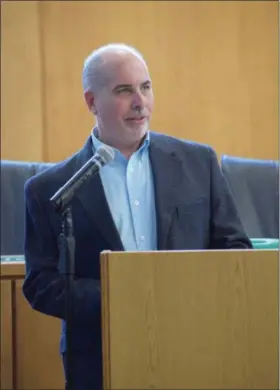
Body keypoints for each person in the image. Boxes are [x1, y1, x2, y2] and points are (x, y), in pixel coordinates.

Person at [22, 43, 252, 390]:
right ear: (91, 102)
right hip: (100, 360)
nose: (139, 102)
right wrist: (124, 297)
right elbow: (40, 283)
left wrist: (188, 295)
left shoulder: (198, 163)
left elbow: (236, 251)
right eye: (123, 90)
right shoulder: (49, 189)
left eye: (145, 87)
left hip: (197, 350)